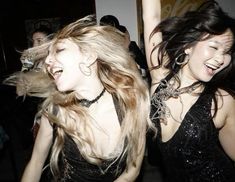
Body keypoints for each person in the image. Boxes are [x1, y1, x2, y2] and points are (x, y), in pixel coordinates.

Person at [5, 15, 151, 182]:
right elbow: (36, 162)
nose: (47, 60)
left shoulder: (130, 104)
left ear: (89, 56)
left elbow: (131, 172)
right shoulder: (55, 108)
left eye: (59, 50)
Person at [142, 0, 235, 181]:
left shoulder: (222, 100)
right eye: (214, 47)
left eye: (227, 51)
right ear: (188, 46)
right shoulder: (160, 76)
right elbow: (151, 16)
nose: (220, 58)